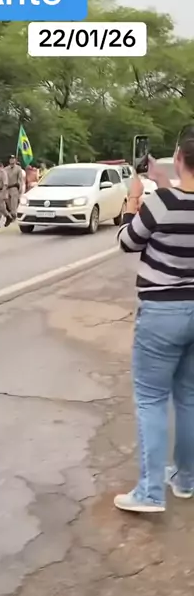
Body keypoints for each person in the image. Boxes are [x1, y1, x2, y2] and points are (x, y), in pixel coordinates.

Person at [114, 127, 194, 514]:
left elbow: (127, 241)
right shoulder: (168, 198)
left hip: (162, 312)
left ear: (178, 158)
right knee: (189, 397)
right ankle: (185, 479)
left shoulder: (161, 202)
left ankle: (149, 492)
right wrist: (164, 185)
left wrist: (134, 199)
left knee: (151, 400)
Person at [6, 155, 23, 219]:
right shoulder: (6, 169)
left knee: (14, 202)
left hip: (14, 187)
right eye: (10, 159)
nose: (12, 160)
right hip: (7, 188)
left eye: (13, 159)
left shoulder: (18, 168)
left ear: (15, 160)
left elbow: (20, 179)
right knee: (8, 202)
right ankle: (12, 212)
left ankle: (14, 214)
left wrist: (20, 188)